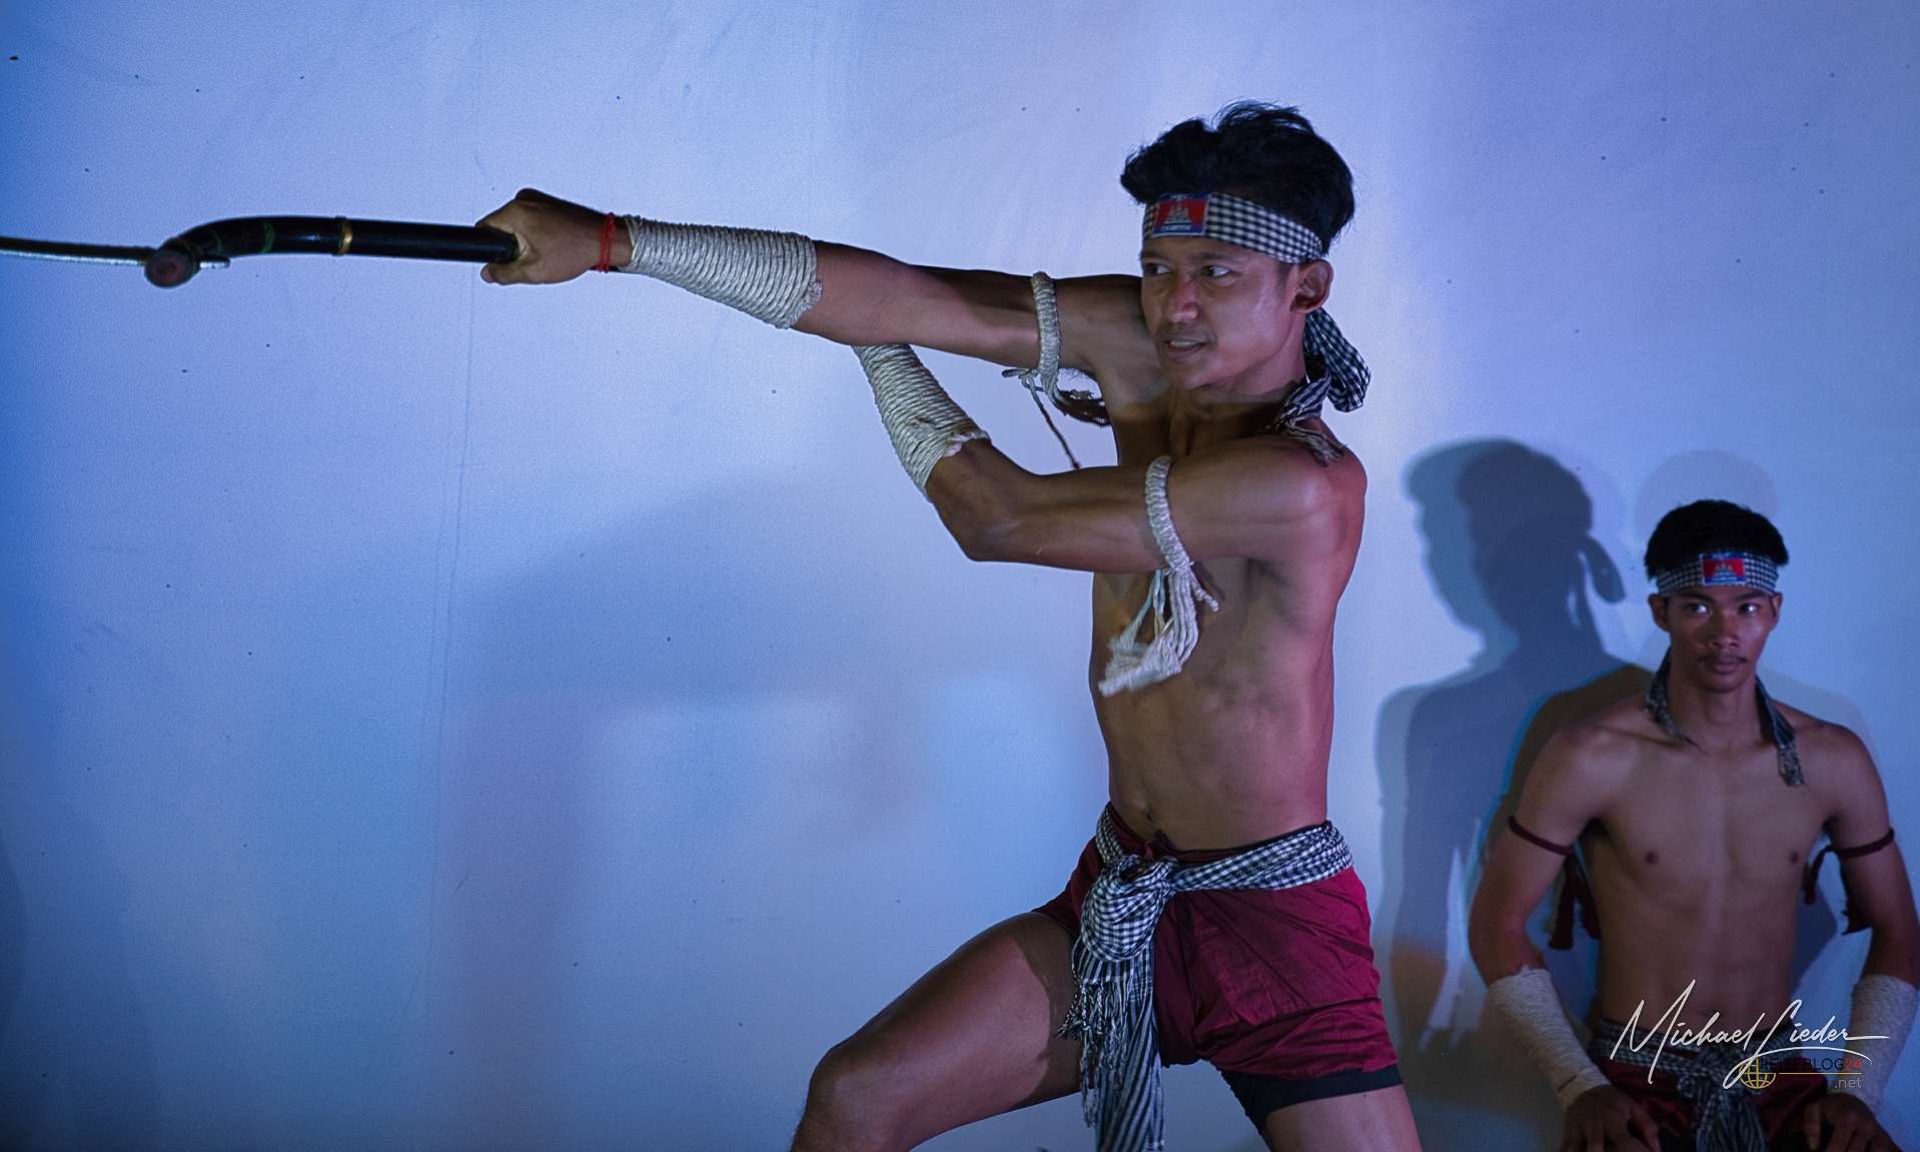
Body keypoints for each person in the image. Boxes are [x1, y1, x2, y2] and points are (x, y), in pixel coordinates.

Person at [477, 103, 1419, 1152]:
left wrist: (869, 339)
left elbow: (999, 518)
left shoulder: (1300, 486)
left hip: (1271, 921)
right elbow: (909, 294)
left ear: (1307, 286)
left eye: (1218, 274)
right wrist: (610, 242)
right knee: (859, 1099)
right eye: (1158, 268)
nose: (1177, 305)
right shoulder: (1138, 339)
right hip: (1121, 891)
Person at [1469, 499, 1919, 1151]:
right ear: (1662, 612)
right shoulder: (1592, 755)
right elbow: (1497, 922)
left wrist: (1858, 1092)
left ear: (1774, 611)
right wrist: (1578, 1085)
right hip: (1638, 1077)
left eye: (1746, 607)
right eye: (1698, 607)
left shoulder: (1831, 759)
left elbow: (1899, 929)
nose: (1724, 632)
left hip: (1774, 1071)